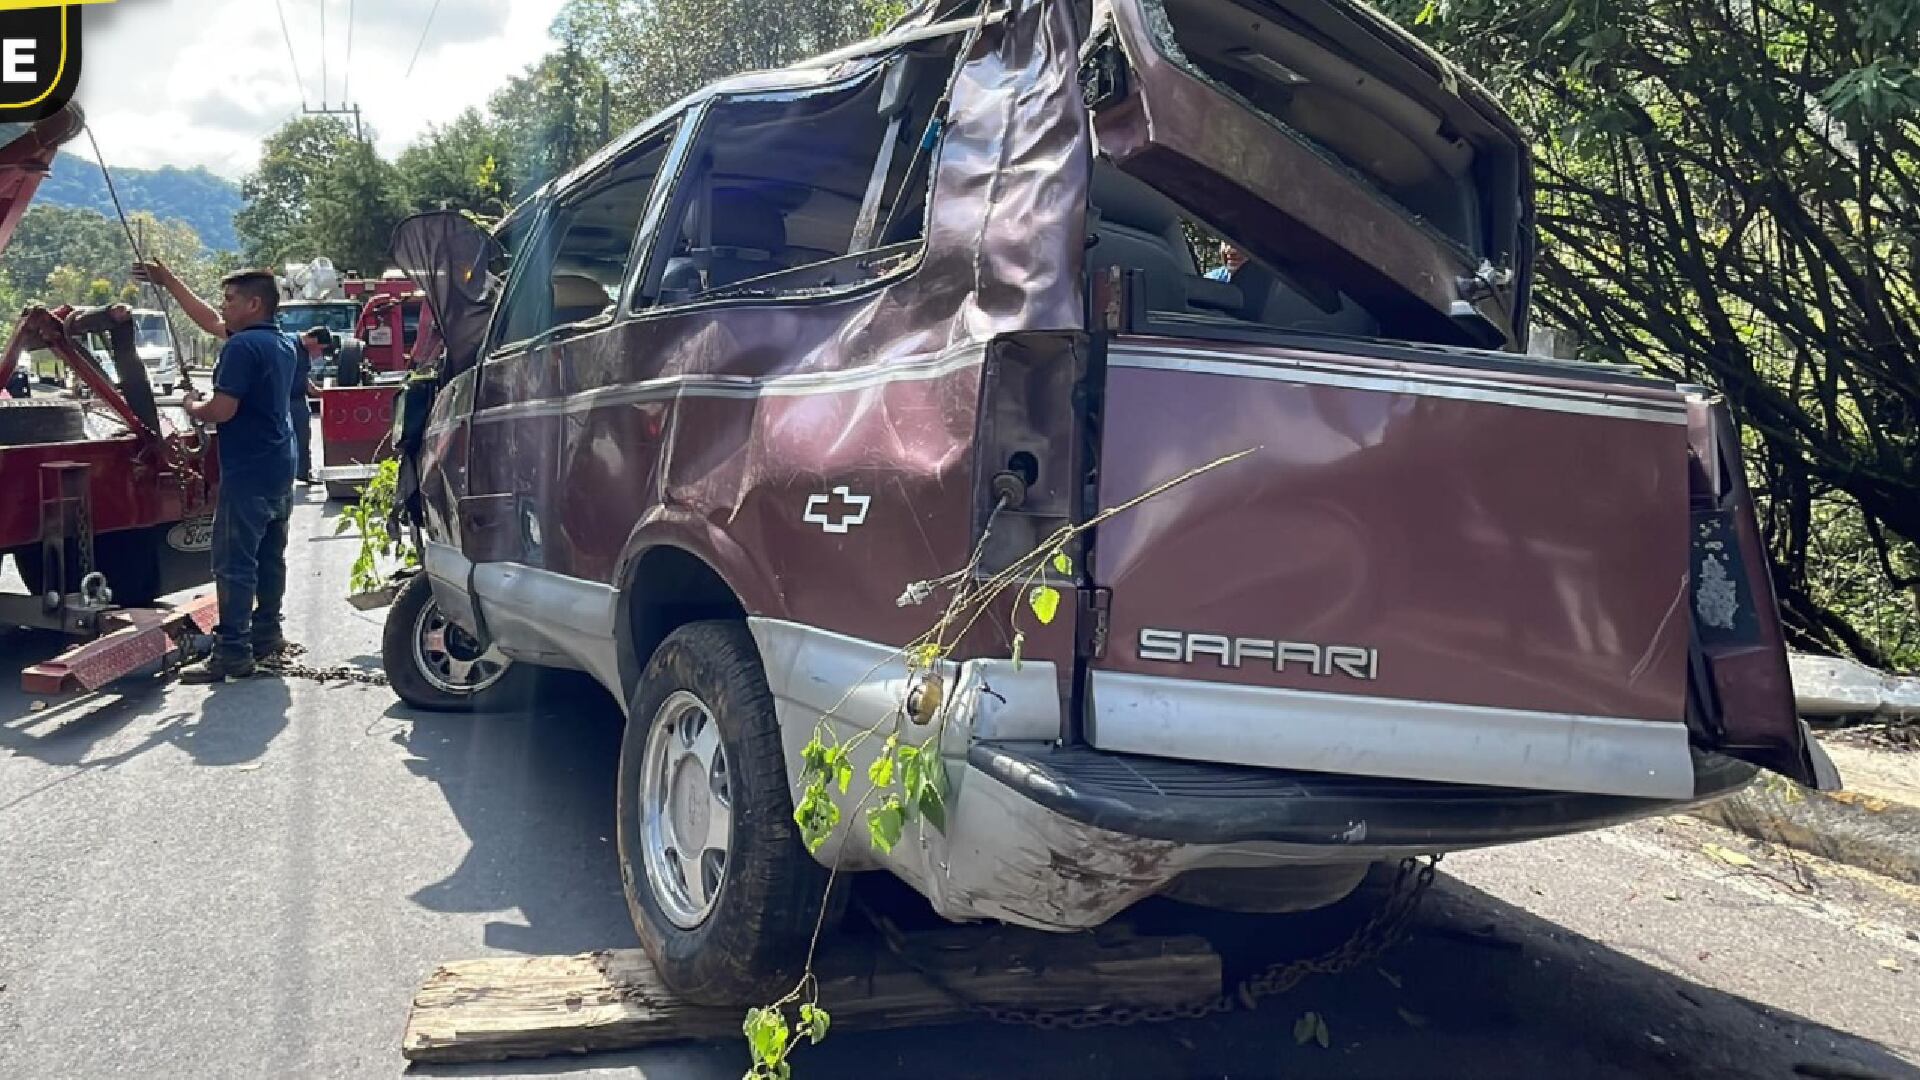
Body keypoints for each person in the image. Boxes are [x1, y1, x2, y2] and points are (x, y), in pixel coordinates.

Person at [171, 269, 299, 681]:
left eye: (229, 299)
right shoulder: (282, 341)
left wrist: (192, 407)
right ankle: (267, 634)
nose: (223, 306)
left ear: (253, 304)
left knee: (233, 564)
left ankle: (232, 652)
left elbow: (222, 410)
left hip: (247, 471)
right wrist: (170, 281)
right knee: (269, 558)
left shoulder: (241, 348)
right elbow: (210, 320)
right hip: (280, 467)